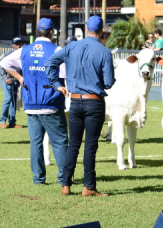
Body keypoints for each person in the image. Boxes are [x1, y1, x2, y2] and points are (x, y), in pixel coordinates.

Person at [45, 15, 116, 197]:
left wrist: (56, 84)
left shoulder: (71, 46)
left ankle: (65, 185)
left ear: (86, 28)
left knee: (73, 145)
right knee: (90, 145)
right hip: (94, 102)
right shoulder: (104, 51)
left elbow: (50, 62)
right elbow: (108, 83)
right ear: (101, 31)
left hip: (75, 101)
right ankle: (89, 187)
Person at [0, 18, 68, 185]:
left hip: (31, 104)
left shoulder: (24, 50)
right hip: (51, 103)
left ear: (37, 32)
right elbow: (66, 74)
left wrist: (19, 77)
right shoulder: (57, 50)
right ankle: (63, 178)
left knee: (36, 143)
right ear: (52, 32)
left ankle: (38, 178)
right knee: (59, 143)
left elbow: (3, 62)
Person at [0, 37, 23, 129]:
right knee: (8, 99)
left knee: (13, 102)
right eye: (16, 44)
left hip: (17, 81)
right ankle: (2, 121)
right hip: (9, 80)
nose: (18, 45)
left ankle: (12, 122)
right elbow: (1, 66)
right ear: (13, 45)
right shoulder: (8, 54)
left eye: (20, 43)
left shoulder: (23, 54)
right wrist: (5, 78)